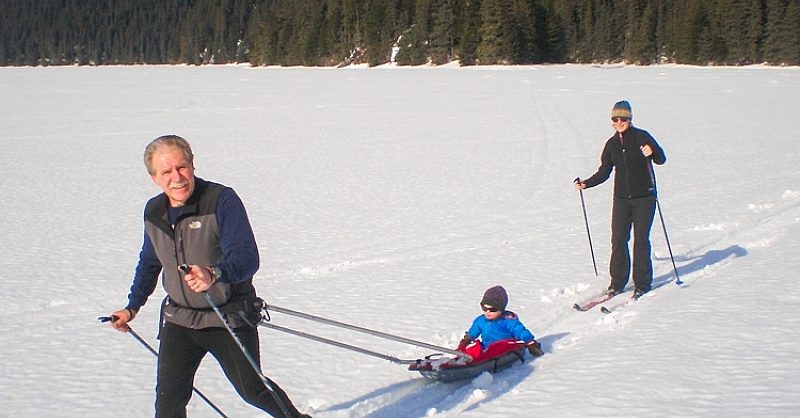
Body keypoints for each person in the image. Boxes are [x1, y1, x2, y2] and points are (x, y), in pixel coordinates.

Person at [108, 135, 308, 418]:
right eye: (166, 172)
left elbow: (247, 258)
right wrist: (132, 307)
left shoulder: (221, 200)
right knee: (168, 403)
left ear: (192, 165)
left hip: (227, 316)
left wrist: (214, 273)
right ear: (154, 178)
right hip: (179, 319)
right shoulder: (154, 211)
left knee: (253, 390)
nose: (177, 177)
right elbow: (150, 262)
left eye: (182, 167)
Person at [575, 100, 666, 299]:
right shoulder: (612, 144)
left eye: (623, 119)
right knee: (618, 239)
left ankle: (642, 283)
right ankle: (617, 283)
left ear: (629, 119)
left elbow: (661, 159)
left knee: (641, 240)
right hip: (622, 199)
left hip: (644, 198)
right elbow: (605, 170)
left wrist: (653, 151)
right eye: (615, 119)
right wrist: (587, 183)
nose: (619, 123)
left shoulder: (642, 137)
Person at [457, 285, 544, 358]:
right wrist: (466, 341)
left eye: (492, 309)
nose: (488, 312)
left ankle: (480, 362)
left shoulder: (508, 321)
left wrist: (531, 343)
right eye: (484, 308)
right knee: (474, 349)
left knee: (494, 351)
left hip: (506, 348)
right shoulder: (480, 321)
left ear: (501, 309)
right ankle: (461, 360)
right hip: (486, 347)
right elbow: (473, 332)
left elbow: (520, 332)